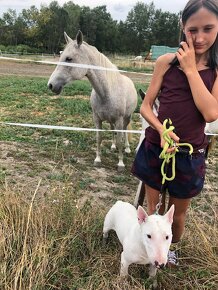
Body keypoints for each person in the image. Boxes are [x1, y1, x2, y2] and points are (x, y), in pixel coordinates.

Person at [131, 0, 218, 266]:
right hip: (156, 148)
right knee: (154, 210)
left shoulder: (215, 72)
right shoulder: (165, 63)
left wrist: (191, 69)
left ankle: (169, 251)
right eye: (193, 30)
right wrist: (160, 130)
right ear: (182, 27)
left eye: (208, 29)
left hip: (189, 156)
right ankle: (147, 249)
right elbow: (146, 107)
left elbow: (211, 113)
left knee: (176, 217)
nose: (200, 37)